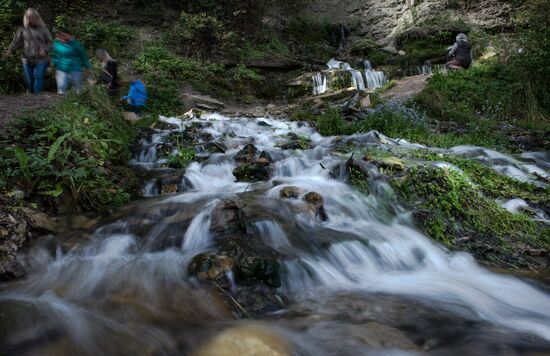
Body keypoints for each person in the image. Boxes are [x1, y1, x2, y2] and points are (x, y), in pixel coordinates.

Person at [3, 8, 52, 94]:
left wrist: (45, 49)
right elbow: (16, 42)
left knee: (38, 77)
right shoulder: (22, 28)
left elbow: (50, 43)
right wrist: (10, 50)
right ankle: (32, 95)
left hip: (41, 58)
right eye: (29, 17)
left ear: (37, 17)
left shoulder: (43, 28)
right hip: (26, 58)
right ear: (26, 17)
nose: (31, 18)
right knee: (29, 80)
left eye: (33, 17)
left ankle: (36, 99)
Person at [51, 30, 90, 94]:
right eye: (59, 35)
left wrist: (87, 65)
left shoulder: (74, 43)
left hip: (75, 68)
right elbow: (54, 55)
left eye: (63, 35)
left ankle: (78, 101)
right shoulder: (56, 43)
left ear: (68, 35)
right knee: (61, 87)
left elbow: (82, 54)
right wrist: (54, 63)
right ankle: (62, 102)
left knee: (78, 87)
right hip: (61, 68)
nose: (61, 37)